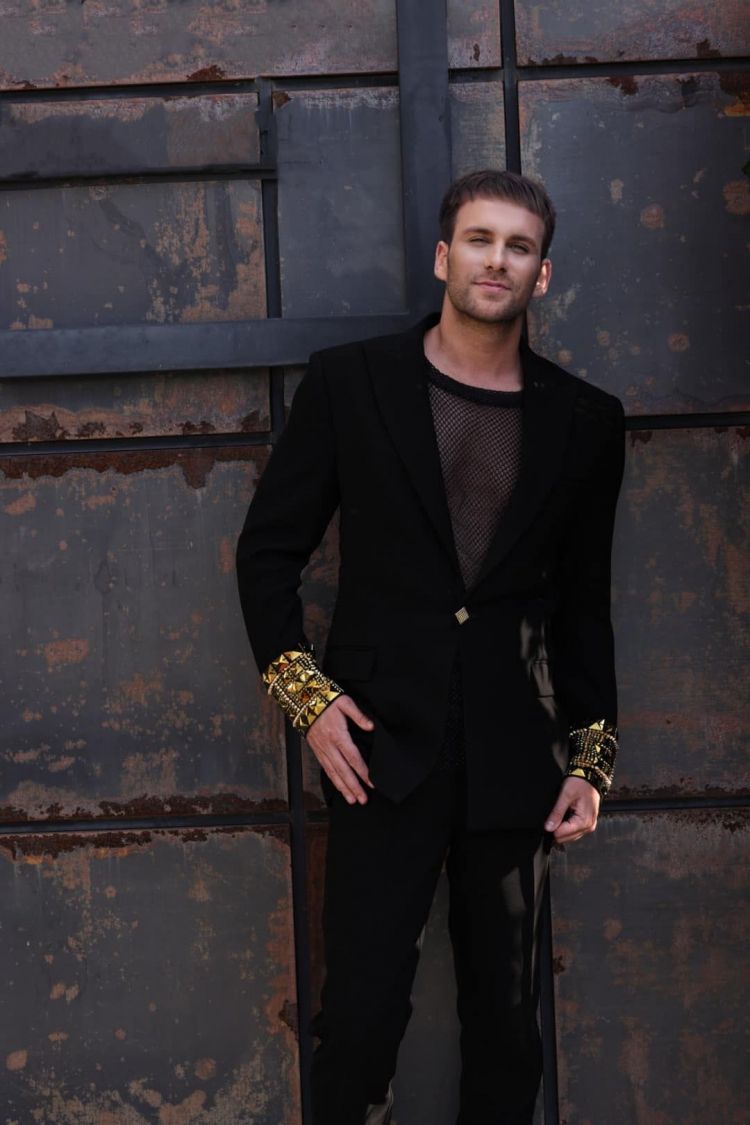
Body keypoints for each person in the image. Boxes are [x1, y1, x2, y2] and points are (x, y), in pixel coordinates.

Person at [236, 169, 625, 1125]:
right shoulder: (350, 381)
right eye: (481, 240)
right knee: (359, 1020)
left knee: (508, 1027)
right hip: (377, 749)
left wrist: (592, 760)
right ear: (446, 256)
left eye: (520, 247)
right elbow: (267, 553)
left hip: (516, 757)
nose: (498, 260)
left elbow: (584, 604)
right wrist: (309, 700)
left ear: (541, 275)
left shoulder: (586, 420)